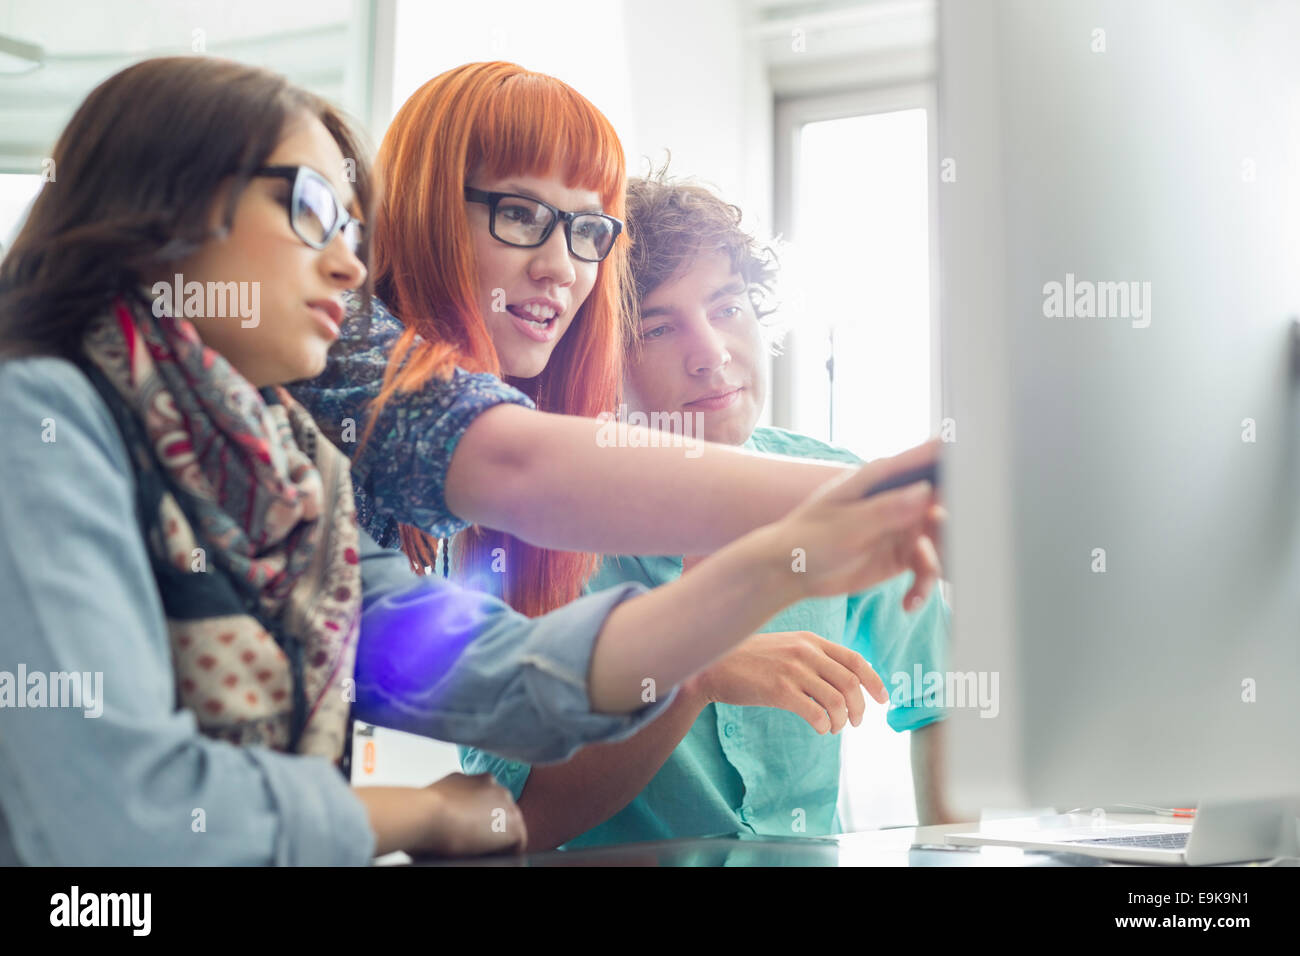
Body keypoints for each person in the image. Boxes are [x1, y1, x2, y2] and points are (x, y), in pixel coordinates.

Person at [0, 57, 943, 865]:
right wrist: (420, 814)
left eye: (587, 230)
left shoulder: (293, 476)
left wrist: (788, 557)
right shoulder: (39, 421)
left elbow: (499, 673)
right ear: (164, 207)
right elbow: (117, 814)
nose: (344, 264)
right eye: (312, 210)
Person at [289, 61, 943, 619]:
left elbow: (434, 675)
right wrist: (892, 496)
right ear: (425, 208)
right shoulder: (335, 338)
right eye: (519, 213)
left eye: (587, 230)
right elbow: (519, 468)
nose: (562, 268)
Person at [459, 172, 956, 848]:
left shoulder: (835, 487)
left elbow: (945, 695)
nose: (712, 355)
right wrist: (691, 672)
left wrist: (955, 850)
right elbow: (519, 818)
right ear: (599, 353)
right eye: (659, 327)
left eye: (727, 308)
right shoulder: (523, 528)